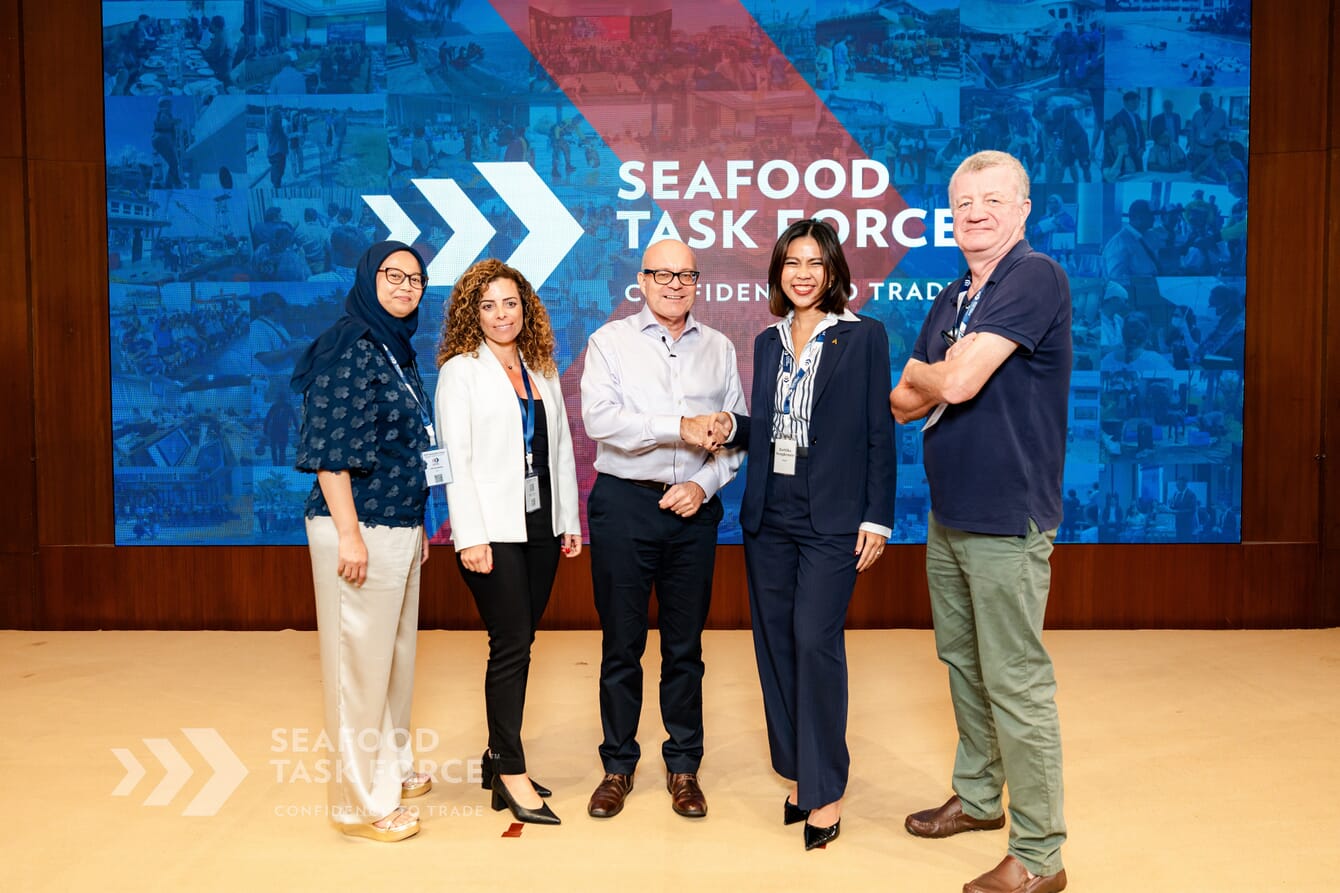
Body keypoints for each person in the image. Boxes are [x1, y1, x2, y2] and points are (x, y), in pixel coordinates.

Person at [890, 151, 1071, 893]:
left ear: (1023, 209)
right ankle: (976, 797)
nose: (977, 214)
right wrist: (942, 374)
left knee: (1016, 682)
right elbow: (903, 399)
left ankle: (1039, 855)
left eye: (994, 200)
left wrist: (944, 373)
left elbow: (952, 381)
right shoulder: (952, 295)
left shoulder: (1035, 277)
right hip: (950, 515)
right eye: (964, 203)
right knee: (963, 667)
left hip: (1007, 517)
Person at [726, 219, 896, 850]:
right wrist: (731, 426)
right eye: (791, 263)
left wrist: (876, 516)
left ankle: (826, 791)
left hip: (833, 518)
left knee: (813, 641)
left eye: (814, 264)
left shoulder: (864, 338)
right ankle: (799, 772)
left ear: (833, 273)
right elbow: (773, 427)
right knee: (775, 646)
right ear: (778, 273)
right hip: (769, 514)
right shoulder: (769, 342)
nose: (802, 274)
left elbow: (880, 431)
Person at [579, 238, 746, 820]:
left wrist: (704, 485)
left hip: (694, 510)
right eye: (662, 274)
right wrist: (679, 426)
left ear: (698, 283)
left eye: (686, 276)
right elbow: (601, 420)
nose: (675, 285)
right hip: (625, 505)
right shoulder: (610, 342)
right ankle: (617, 767)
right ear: (642, 281)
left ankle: (683, 767)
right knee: (621, 645)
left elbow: (736, 435)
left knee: (685, 647)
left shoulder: (720, 348)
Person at [291, 241, 435, 843]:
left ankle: (391, 767)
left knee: (393, 663)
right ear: (366, 279)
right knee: (358, 667)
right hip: (359, 530)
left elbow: (410, 448)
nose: (406, 286)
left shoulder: (393, 349)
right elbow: (328, 453)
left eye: (416, 278)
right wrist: (350, 535)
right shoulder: (349, 346)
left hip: (397, 524)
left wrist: (416, 524)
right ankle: (358, 803)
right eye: (392, 275)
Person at [434, 259, 582, 826]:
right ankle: (509, 768)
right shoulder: (460, 372)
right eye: (488, 305)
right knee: (511, 642)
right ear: (474, 314)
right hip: (490, 531)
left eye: (511, 303)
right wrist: (468, 535)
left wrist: (568, 520)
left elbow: (560, 450)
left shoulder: (539, 367)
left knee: (523, 641)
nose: (501, 314)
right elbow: (455, 462)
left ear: (527, 308)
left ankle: (497, 757)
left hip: (541, 525)